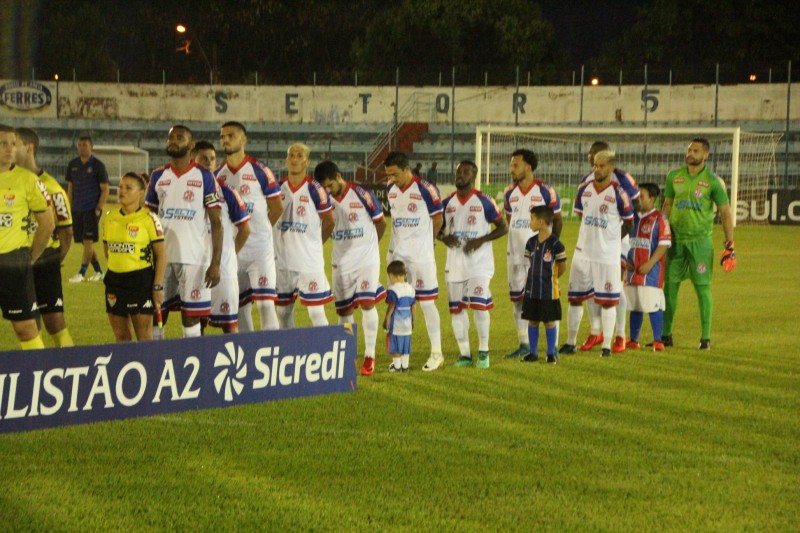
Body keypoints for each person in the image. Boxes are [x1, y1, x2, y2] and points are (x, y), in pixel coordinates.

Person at [145, 125, 223, 338]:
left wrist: (215, 263)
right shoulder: (158, 176)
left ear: (191, 145)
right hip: (162, 258)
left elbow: (217, 222)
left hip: (194, 259)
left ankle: (194, 363)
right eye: (170, 137)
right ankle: (156, 362)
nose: (173, 141)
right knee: (157, 312)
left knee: (191, 316)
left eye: (179, 137)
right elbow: (147, 219)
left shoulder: (205, 177)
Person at [315, 160, 386, 376]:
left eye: (329, 185)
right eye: (323, 188)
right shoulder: (324, 201)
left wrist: (370, 249)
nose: (327, 191)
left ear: (338, 176)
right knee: (344, 311)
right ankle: (347, 356)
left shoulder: (362, 194)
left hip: (366, 260)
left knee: (367, 303)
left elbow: (381, 223)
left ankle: (370, 356)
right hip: (341, 261)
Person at [662, 138, 735, 350]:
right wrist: (661, 232)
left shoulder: (713, 182)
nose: (690, 153)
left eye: (695, 151)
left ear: (706, 155)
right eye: (689, 150)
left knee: (702, 289)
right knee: (669, 289)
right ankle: (666, 335)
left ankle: (705, 338)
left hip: (700, 243)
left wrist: (729, 244)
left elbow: (725, 213)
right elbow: (667, 205)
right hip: (675, 242)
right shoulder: (674, 177)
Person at [561, 150, 634, 357]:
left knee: (608, 301)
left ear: (611, 168)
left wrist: (613, 240)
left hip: (607, 256)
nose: (597, 169)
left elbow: (629, 221)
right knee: (575, 298)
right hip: (583, 253)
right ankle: (570, 342)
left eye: (601, 166)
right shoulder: (584, 189)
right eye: (595, 165)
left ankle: (607, 346)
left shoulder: (619, 194)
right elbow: (581, 215)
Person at [438, 160, 508, 369]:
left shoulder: (484, 201)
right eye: (458, 171)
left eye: (465, 172)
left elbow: (503, 227)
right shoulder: (446, 203)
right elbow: (437, 228)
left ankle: (484, 352)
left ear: (474, 176)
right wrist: (444, 238)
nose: (460, 175)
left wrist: (481, 240)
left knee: (478, 305)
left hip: (480, 264)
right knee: (457, 311)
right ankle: (465, 355)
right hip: (455, 265)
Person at [216, 122, 283, 331]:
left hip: (259, 250)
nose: (225, 140)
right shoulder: (218, 175)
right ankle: (247, 354)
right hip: (233, 250)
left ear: (244, 139)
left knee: (265, 304)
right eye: (222, 136)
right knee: (239, 306)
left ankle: (271, 355)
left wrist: (260, 232)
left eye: (231, 135)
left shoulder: (259, 170)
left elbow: (277, 207)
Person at [575, 141, 641, 353]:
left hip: (617, 239)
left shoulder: (623, 179)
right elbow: (582, 213)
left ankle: (620, 334)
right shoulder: (587, 182)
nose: (591, 159)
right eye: (591, 157)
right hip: (594, 242)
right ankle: (596, 331)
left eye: (595, 155)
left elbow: (635, 208)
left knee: (615, 286)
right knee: (592, 286)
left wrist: (617, 235)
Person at [383, 151, 445, 371]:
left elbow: (438, 219)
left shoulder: (426, 189)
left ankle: (436, 353)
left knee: (427, 303)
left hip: (422, 258)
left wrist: (428, 244)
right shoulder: (391, 190)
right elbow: (396, 222)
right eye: (388, 175)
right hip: (400, 257)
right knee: (399, 305)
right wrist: (391, 253)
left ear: (407, 168)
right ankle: (400, 359)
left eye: (395, 174)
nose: (392, 179)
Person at [14, 127, 75, 347]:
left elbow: (67, 232)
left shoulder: (53, 188)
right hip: (15, 259)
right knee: (27, 324)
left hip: (44, 260)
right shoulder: (9, 182)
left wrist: (53, 261)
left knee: (54, 321)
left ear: (29, 148)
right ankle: (35, 373)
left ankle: (69, 367)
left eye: (15, 144)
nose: (9, 149)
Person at [503, 148, 562, 358]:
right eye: (511, 165)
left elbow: (557, 221)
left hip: (540, 257)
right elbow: (511, 221)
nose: (512, 169)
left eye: (515, 165)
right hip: (516, 255)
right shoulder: (509, 193)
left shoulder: (546, 192)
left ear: (528, 166)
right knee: (518, 300)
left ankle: (552, 347)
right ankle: (524, 344)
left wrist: (551, 249)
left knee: (547, 300)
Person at [0, 124, 54, 349]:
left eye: (13, 144)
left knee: (26, 328)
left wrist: (30, 256)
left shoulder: (28, 180)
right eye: (3, 143)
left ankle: (38, 379)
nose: (9, 149)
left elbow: (47, 223)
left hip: (14, 262)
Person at [273, 143, 334, 328]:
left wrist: (315, 244)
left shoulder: (315, 189)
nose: (294, 159)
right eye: (291, 155)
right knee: (283, 312)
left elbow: (330, 221)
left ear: (307, 162)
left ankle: (326, 352)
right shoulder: (277, 188)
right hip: (282, 261)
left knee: (316, 312)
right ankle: (288, 351)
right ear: (286, 160)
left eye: (299, 156)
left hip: (309, 262)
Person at [194, 140, 251, 334]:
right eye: (203, 158)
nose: (208, 162)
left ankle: (234, 361)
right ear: (193, 159)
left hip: (224, 270)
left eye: (212, 159)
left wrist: (229, 255)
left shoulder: (228, 192)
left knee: (229, 324)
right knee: (196, 322)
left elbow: (245, 229)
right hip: (196, 266)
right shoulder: (189, 189)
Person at [103, 173, 166, 341]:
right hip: (114, 282)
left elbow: (161, 255)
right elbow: (107, 250)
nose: (122, 190)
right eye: (121, 186)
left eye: (128, 188)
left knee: (144, 337)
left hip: (140, 282)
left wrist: (157, 287)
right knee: (121, 336)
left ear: (140, 193)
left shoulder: (149, 219)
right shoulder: (109, 218)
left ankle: (149, 367)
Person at [625, 183, 671, 351]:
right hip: (632, 270)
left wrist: (650, 264)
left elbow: (664, 244)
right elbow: (623, 241)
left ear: (652, 198)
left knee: (653, 304)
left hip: (651, 272)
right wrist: (625, 261)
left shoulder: (660, 218)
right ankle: (633, 340)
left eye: (641, 196)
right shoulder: (631, 218)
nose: (637, 199)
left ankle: (658, 340)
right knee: (635, 304)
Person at [521, 205, 567, 364]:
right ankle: (533, 353)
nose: (530, 223)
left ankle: (550, 353)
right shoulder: (531, 243)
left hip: (549, 291)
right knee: (532, 320)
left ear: (541, 222)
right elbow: (530, 263)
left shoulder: (555, 244)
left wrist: (551, 278)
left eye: (532, 219)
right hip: (532, 290)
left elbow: (562, 266)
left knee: (549, 321)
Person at [65, 135, 108, 283]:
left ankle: (81, 273)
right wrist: (69, 207)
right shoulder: (73, 164)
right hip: (77, 209)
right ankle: (99, 272)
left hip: (91, 209)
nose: (82, 147)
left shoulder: (98, 166)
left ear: (91, 147)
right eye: (80, 144)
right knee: (85, 243)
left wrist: (98, 208)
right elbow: (70, 188)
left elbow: (105, 189)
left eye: (85, 145)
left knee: (88, 241)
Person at [383, 260, 416, 373]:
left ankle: (397, 367)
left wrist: (386, 319)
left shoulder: (393, 290)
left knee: (395, 346)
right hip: (407, 325)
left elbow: (391, 306)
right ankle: (405, 367)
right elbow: (413, 307)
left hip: (396, 325)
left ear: (391, 275)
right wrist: (413, 321)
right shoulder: (411, 289)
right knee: (406, 346)